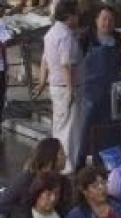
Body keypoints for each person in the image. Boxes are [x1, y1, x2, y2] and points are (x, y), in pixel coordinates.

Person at [37, 0, 83, 174]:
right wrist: (71, 89)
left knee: (60, 126)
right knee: (68, 129)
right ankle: (66, 166)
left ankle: (56, 163)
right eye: (76, 14)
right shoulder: (65, 35)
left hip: (56, 86)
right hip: (65, 87)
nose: (78, 18)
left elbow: (44, 59)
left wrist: (42, 81)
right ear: (69, 16)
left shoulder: (50, 33)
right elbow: (66, 64)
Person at [80, 4, 121, 167]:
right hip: (89, 95)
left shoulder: (119, 40)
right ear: (96, 20)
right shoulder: (86, 38)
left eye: (111, 20)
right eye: (104, 19)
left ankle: (110, 167)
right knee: (86, 134)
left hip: (111, 96)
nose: (107, 23)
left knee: (110, 134)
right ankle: (81, 166)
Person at [0, 138, 74, 218]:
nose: (65, 156)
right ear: (51, 156)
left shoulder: (65, 183)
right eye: (61, 153)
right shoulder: (27, 179)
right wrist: (29, 215)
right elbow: (4, 203)